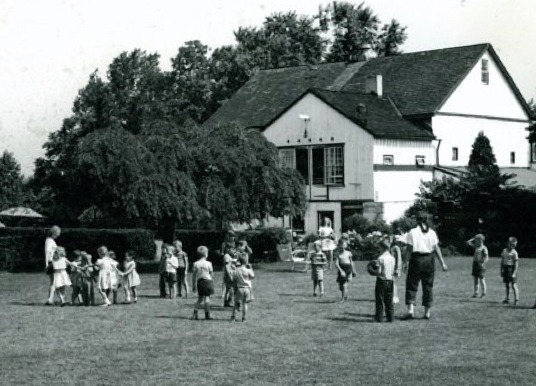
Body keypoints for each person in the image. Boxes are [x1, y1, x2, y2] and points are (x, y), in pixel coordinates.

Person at [402, 211, 448, 320]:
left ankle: (410, 311)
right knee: (428, 286)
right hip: (429, 260)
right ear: (427, 220)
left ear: (417, 220)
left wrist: (405, 262)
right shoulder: (432, 232)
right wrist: (442, 263)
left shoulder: (412, 232)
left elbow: (409, 249)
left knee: (412, 284)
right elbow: (436, 248)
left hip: (416, 259)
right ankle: (427, 313)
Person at [374, 236, 396, 323]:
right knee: (389, 300)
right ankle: (390, 317)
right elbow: (392, 270)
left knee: (380, 299)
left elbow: (379, 271)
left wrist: (373, 271)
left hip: (381, 280)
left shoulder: (380, 258)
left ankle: (379, 318)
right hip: (390, 280)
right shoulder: (392, 258)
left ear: (382, 247)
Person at [192, 246, 215, 320]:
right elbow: (211, 274)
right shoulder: (209, 263)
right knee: (207, 298)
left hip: (200, 282)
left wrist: (193, 285)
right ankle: (207, 315)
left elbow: (194, 275)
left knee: (200, 299)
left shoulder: (195, 264)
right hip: (207, 281)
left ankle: (195, 314)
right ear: (206, 254)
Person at [231, 255, 255, 322]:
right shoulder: (248, 270)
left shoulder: (237, 270)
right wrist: (251, 268)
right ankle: (244, 318)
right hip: (247, 288)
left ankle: (233, 317)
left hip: (239, 288)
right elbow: (253, 276)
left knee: (236, 303)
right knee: (245, 304)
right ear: (246, 261)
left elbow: (234, 279)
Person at [467, 234, 489, 298]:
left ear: (481, 240)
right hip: (475, 263)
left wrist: (483, 263)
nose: (475, 241)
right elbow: (468, 242)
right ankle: (476, 293)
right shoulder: (476, 247)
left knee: (481, 279)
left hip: (480, 264)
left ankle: (483, 293)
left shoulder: (484, 248)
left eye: (477, 240)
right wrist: (473, 238)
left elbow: (487, 257)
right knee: (475, 279)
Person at [45, 225, 61, 305]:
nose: (58, 235)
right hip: (52, 263)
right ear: (54, 233)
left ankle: (51, 299)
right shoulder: (49, 241)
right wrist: (47, 264)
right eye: (58, 233)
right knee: (54, 282)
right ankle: (51, 299)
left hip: (53, 262)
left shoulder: (50, 240)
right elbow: (47, 252)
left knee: (53, 281)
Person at [501, 237, 519, 305]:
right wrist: (501, 270)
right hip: (505, 268)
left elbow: (516, 264)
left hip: (511, 268)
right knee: (507, 284)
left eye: (514, 245)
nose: (512, 246)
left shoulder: (514, 253)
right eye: (511, 244)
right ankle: (507, 299)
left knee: (513, 284)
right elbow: (502, 261)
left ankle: (516, 299)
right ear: (508, 243)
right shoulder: (504, 251)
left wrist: (514, 272)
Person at [391, 235, 404, 304]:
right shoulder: (393, 247)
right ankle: (392, 296)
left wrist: (397, 269)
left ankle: (395, 297)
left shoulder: (396, 248)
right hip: (392, 267)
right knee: (392, 283)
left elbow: (398, 259)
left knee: (394, 283)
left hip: (395, 268)